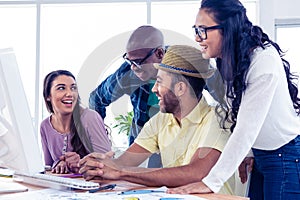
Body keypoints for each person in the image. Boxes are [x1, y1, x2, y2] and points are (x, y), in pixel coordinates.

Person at [167, 0, 300, 199]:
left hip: (285, 156)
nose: (197, 37)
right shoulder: (228, 58)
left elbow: (246, 128)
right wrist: (249, 153)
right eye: (196, 29)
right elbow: (236, 110)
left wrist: (210, 182)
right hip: (262, 154)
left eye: (202, 30)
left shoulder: (263, 61)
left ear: (227, 29)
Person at [79, 45, 235, 195]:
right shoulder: (160, 121)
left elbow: (196, 173)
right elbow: (123, 162)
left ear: (180, 88)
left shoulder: (218, 118)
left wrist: (120, 172)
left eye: (159, 82)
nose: (154, 89)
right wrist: (95, 165)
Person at [89, 25, 164, 145]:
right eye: (130, 61)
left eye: (138, 61)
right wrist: (99, 139)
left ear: (159, 54)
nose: (133, 67)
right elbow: (96, 99)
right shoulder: (128, 74)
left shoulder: (184, 65)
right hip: (143, 142)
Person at [41, 70, 111, 174]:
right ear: (48, 96)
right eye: (61, 88)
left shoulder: (90, 118)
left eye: (73, 88)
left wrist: (80, 163)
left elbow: (108, 164)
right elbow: (49, 168)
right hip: (64, 187)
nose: (69, 93)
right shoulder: (45, 125)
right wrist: (60, 164)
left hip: (94, 186)